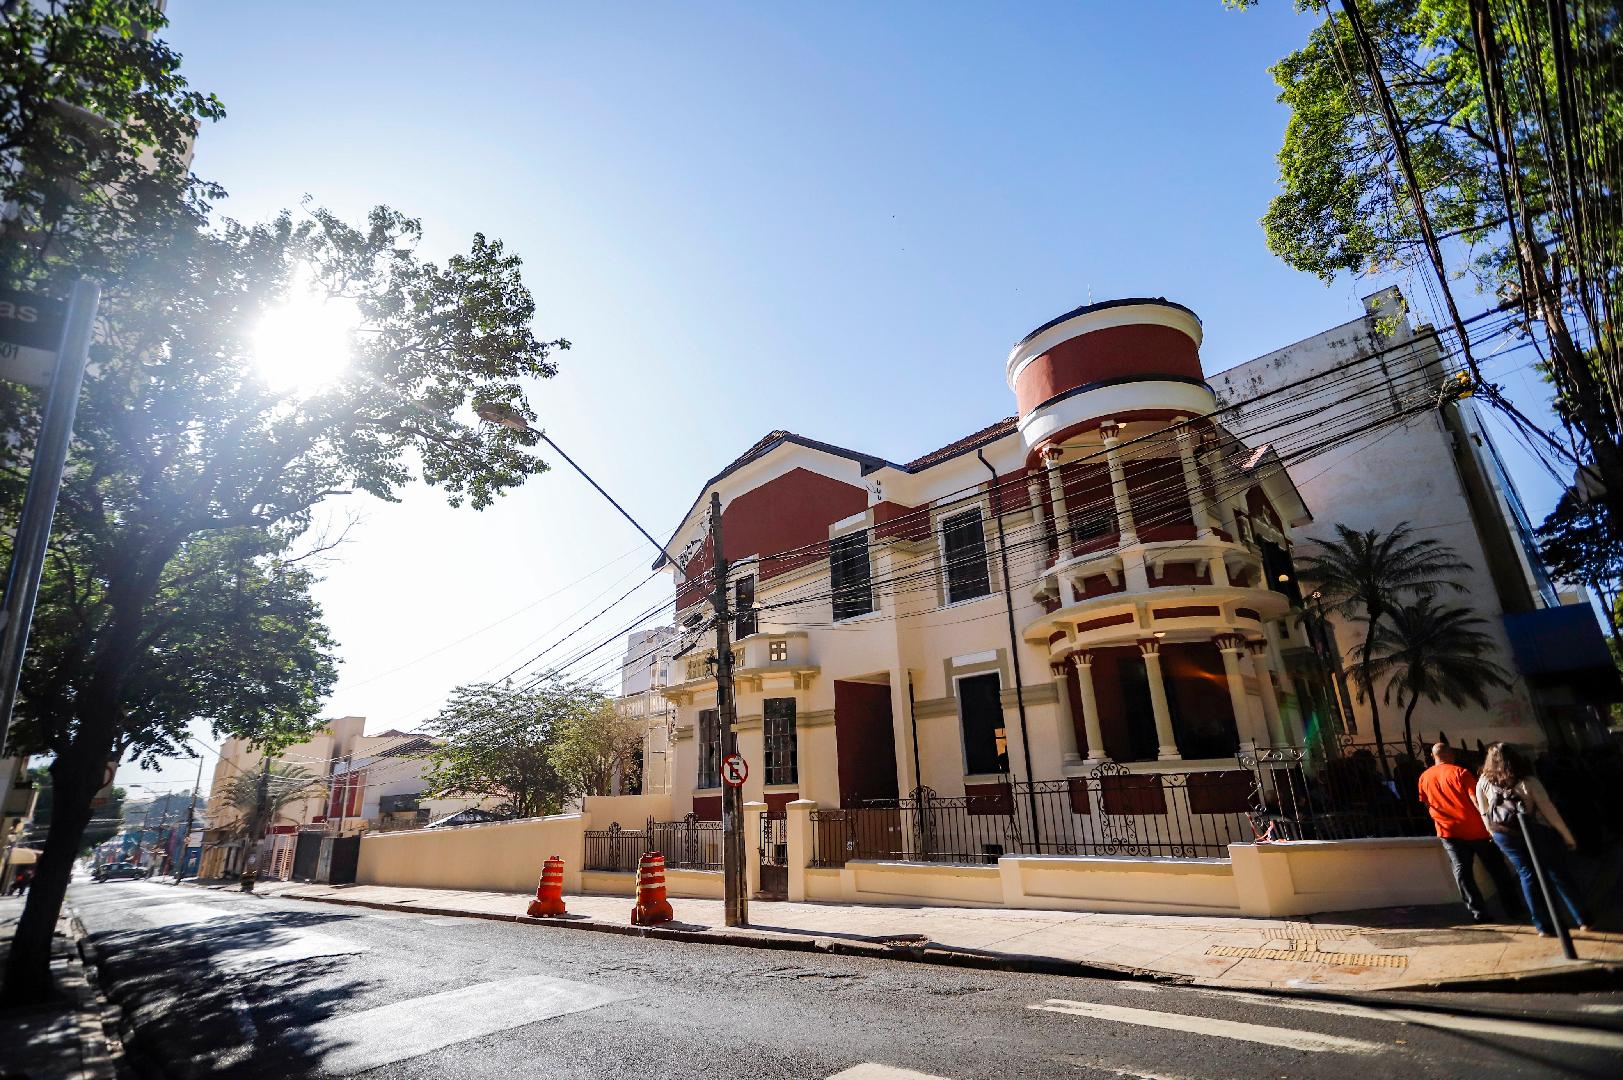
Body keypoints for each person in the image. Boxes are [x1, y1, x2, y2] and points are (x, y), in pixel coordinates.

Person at [1475, 742, 1591, 937]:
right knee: (1557, 873)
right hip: (1535, 831)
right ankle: (1583, 919)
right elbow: (1549, 811)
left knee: (1526, 875)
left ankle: (1542, 925)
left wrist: (1493, 835)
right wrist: (1567, 835)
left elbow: (1484, 812)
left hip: (1504, 834)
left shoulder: (1482, 782)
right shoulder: (1527, 780)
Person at [1416, 743, 1522, 923]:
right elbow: (1476, 802)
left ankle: (1478, 913)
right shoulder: (1461, 773)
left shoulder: (1424, 777)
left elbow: (1427, 805)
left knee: (1462, 873)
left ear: (1433, 756)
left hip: (1448, 832)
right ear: (1450, 754)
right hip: (1476, 830)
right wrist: (1489, 825)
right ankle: (1513, 908)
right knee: (1497, 870)